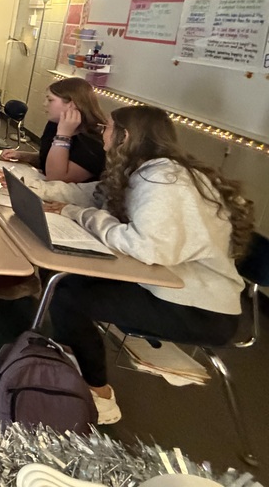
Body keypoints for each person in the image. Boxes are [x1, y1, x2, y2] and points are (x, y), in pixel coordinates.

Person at [33, 105, 250, 425]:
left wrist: (78, 215)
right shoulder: (141, 170)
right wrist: (34, 189)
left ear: (126, 135)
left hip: (200, 308)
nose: (102, 133)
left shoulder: (165, 180)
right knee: (67, 278)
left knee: (69, 296)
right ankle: (72, 359)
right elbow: (92, 194)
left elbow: (146, 248)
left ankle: (99, 395)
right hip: (165, 285)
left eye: (107, 128)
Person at [0, 77, 106, 183]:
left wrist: (63, 136)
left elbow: (55, 179)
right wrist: (22, 155)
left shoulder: (93, 142)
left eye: (50, 100)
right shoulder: (54, 124)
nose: (44, 104)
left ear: (72, 105)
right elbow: (46, 158)